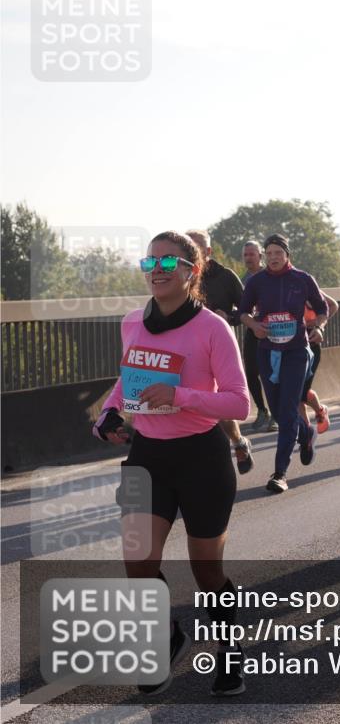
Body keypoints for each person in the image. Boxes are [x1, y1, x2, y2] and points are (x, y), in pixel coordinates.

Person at [93, 231, 251, 696]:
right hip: (147, 457)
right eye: (150, 262)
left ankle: (229, 649)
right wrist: (106, 415)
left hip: (201, 457)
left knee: (206, 570)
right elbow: (127, 382)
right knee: (138, 562)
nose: (157, 270)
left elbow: (240, 404)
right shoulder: (131, 323)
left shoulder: (212, 328)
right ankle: (167, 638)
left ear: (192, 271)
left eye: (169, 262)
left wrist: (180, 396)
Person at [239, 234, 328, 493]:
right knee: (278, 412)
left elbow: (323, 309)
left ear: (287, 254)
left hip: (296, 352)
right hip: (267, 351)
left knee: (288, 409)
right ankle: (306, 431)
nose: (274, 257)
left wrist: (319, 327)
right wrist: (254, 325)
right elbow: (243, 312)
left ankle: (280, 473)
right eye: (270, 253)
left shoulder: (302, 279)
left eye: (279, 252)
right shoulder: (257, 282)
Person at [186, 230, 254, 474]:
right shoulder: (182, 277)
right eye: (188, 246)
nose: (193, 251)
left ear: (208, 251)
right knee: (191, 404)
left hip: (220, 348)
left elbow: (249, 310)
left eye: (197, 246)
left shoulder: (225, 276)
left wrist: (229, 317)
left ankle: (237, 441)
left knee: (219, 403)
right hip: (188, 350)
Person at [241, 241, 275, 431]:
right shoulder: (243, 280)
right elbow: (240, 308)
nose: (248, 258)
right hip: (252, 329)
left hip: (271, 331)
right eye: (245, 255)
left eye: (251, 254)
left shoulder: (269, 276)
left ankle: (275, 414)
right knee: (251, 372)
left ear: (260, 256)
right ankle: (262, 410)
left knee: (269, 373)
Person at [298, 292, 339, 433]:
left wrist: (316, 324)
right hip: (290, 346)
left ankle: (320, 411)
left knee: (301, 392)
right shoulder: (279, 288)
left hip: (311, 345)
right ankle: (306, 433)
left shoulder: (307, 286)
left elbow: (333, 305)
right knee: (296, 393)